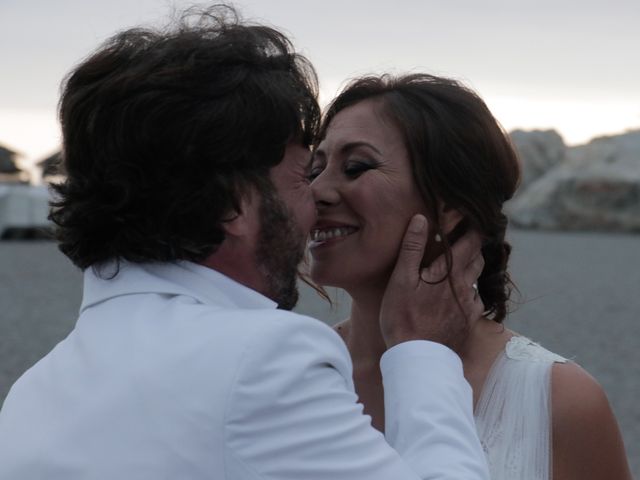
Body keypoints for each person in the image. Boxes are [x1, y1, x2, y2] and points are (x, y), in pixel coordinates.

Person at [0, 7, 491, 480]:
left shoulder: (32, 394)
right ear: (233, 205)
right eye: (304, 176)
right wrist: (423, 352)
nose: (317, 201)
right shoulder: (264, 360)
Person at [308, 73, 633, 480]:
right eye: (313, 169)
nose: (317, 191)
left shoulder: (560, 400)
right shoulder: (295, 371)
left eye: (356, 167)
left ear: (452, 206)